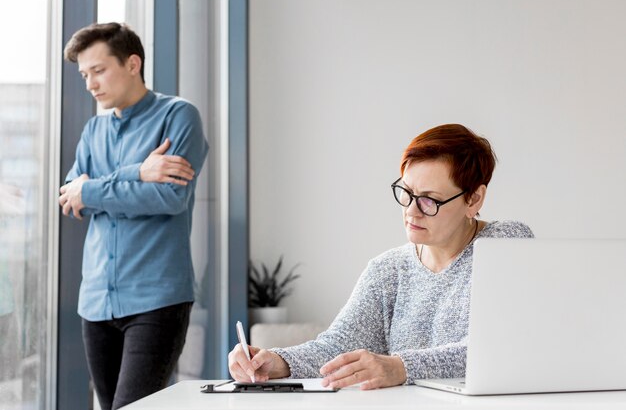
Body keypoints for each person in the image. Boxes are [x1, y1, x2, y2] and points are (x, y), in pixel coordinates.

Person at [228, 124, 533, 390]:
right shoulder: (388, 270)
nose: (411, 211)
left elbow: (495, 349)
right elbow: (336, 347)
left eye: (429, 200)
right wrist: (276, 361)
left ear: (474, 199)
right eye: (407, 193)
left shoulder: (505, 244)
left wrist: (399, 367)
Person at [59, 22, 208, 409]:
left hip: (157, 299)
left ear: (132, 63)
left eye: (99, 70)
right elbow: (71, 199)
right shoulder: (93, 130)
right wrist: (136, 173)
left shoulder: (179, 116)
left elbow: (168, 197)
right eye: (84, 74)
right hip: (94, 300)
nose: (90, 83)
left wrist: (92, 189)